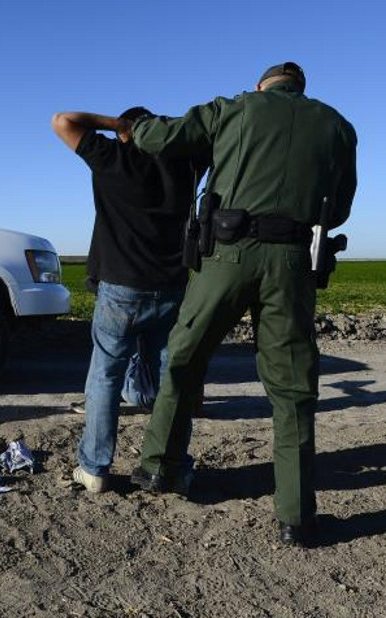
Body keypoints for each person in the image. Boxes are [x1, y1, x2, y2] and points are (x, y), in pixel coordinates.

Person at [127, 62, 358, 547]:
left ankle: (158, 468)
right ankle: (296, 517)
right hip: (294, 263)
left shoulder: (232, 109)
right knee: (293, 388)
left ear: (261, 86)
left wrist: (136, 126)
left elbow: (157, 139)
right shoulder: (338, 126)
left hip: (227, 256)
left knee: (185, 358)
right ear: (301, 89)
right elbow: (338, 209)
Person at [51, 107, 203, 493]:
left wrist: (119, 127)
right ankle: (174, 465)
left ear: (126, 132)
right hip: (172, 287)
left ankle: (95, 468)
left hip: (121, 288)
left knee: (105, 374)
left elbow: (62, 121)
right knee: (172, 380)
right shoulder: (186, 167)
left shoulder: (112, 158)